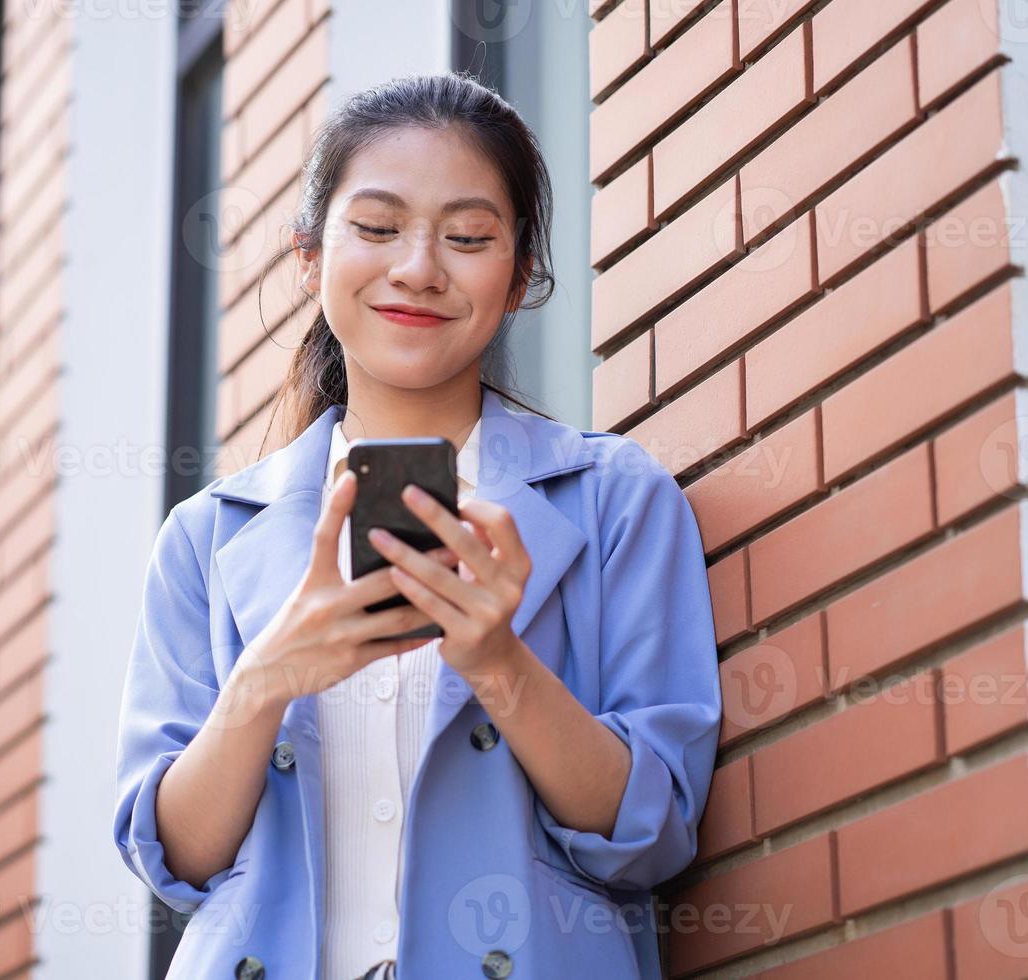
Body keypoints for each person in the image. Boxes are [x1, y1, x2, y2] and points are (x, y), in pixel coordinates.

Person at [113, 71, 722, 979]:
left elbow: (651, 834)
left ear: (518, 277)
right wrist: (269, 676)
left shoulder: (613, 500)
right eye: (376, 227)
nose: (419, 268)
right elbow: (177, 860)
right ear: (310, 258)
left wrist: (498, 663)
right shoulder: (206, 537)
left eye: (469, 236)